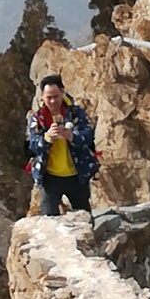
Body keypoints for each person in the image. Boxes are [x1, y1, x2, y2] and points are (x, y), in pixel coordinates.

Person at [27, 74, 99, 216]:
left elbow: (88, 135)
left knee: (84, 216)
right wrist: (47, 138)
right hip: (49, 177)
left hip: (77, 175)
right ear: (42, 96)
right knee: (49, 219)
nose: (53, 101)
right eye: (49, 97)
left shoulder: (75, 113)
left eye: (56, 96)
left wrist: (71, 136)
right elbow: (33, 146)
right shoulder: (37, 119)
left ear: (62, 92)